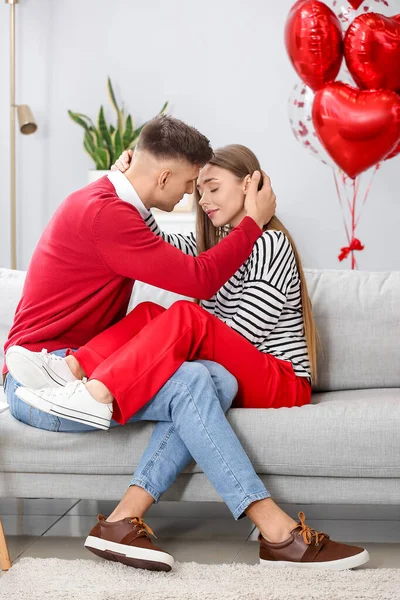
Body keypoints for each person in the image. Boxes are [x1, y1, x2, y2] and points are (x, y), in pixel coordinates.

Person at [3, 123, 370, 572]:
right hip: (33, 383)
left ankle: (89, 386)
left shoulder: (267, 242)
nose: (196, 198)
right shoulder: (123, 218)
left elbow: (239, 334)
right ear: (163, 179)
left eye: (210, 187)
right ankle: (267, 533)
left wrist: (251, 223)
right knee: (185, 349)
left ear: (249, 187)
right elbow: (174, 256)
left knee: (186, 331)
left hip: (276, 375)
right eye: (193, 187)